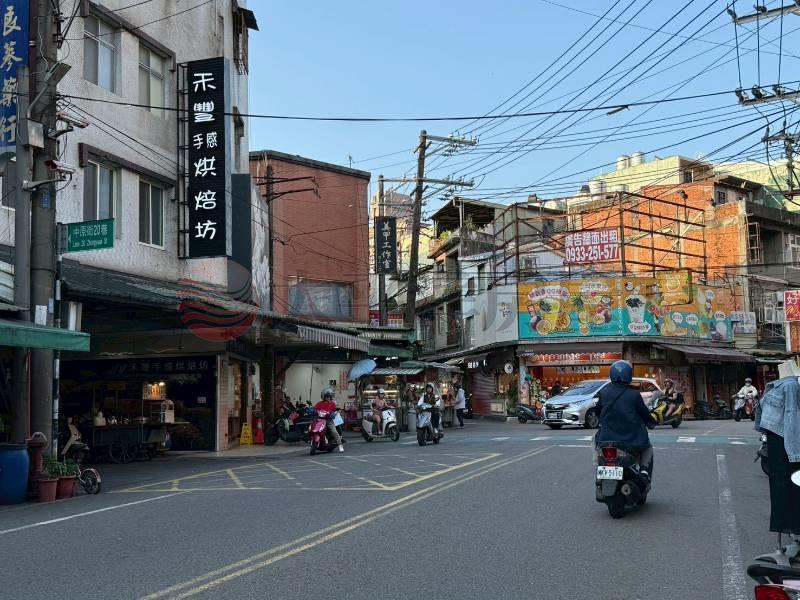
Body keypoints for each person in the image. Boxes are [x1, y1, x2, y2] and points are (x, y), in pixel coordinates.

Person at [595, 360, 654, 480]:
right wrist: (651, 421)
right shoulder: (634, 395)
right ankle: (644, 472)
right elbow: (644, 414)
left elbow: (597, 412)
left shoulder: (603, 393)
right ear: (629, 375)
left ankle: (599, 467)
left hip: (606, 439)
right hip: (631, 439)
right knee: (647, 449)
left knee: (595, 443)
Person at [314, 388, 344, 453]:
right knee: (315, 429)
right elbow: (314, 409)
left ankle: (340, 445)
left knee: (334, 431)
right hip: (320, 420)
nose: (329, 398)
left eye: (330, 396)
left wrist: (335, 413)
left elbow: (335, 410)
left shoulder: (332, 403)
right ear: (324, 397)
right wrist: (312, 410)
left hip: (329, 420)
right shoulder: (319, 403)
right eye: (327, 396)